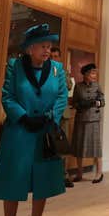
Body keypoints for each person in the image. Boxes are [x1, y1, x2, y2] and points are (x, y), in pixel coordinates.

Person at [0, 24, 68, 216]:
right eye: (43, 46)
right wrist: (22, 117)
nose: (47, 50)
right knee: (13, 183)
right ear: (30, 48)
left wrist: (51, 115)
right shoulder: (15, 67)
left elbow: (62, 95)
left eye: (49, 46)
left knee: (43, 183)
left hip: (44, 133)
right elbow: (7, 95)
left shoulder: (57, 69)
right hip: (19, 133)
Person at [71, 63, 105, 183]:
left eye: (95, 73)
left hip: (94, 119)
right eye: (92, 73)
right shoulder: (78, 87)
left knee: (96, 147)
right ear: (85, 74)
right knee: (79, 146)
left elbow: (102, 101)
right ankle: (79, 173)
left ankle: (99, 173)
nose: (94, 75)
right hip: (81, 119)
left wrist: (96, 103)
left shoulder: (97, 86)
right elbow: (74, 102)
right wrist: (80, 105)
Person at [49, 46, 74, 188]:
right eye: (52, 56)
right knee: (48, 144)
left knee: (62, 145)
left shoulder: (63, 72)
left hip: (63, 114)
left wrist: (60, 75)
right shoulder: (44, 71)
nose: (54, 59)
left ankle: (64, 175)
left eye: (56, 56)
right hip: (48, 113)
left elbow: (69, 86)